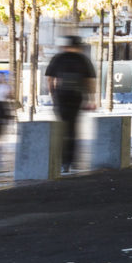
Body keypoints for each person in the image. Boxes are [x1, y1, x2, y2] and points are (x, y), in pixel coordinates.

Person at [44, 36, 96, 173]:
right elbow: (90, 81)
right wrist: (90, 99)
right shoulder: (83, 60)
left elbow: (50, 79)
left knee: (61, 128)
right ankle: (69, 161)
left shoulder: (58, 58)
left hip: (61, 97)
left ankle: (61, 160)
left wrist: (53, 95)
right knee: (72, 129)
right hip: (76, 98)